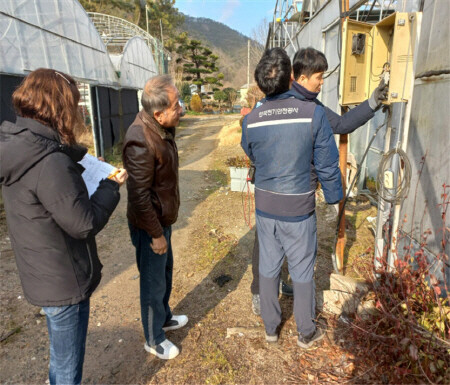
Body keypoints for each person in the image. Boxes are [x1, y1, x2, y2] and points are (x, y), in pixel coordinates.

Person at [0, 68, 127, 385]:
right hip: (63, 282)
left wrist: (78, 155)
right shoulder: (49, 163)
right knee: (68, 367)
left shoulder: (17, 141)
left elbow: (51, 151)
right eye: (73, 104)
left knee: (60, 357)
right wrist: (111, 186)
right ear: (59, 107)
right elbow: (82, 223)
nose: (78, 110)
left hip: (41, 272)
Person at [249, 47, 388, 315]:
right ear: (299, 77)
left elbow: (342, 124)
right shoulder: (277, 102)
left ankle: (280, 286)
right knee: (266, 243)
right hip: (277, 186)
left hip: (300, 189)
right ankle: (260, 291)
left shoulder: (314, 107)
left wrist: (372, 102)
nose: (322, 83)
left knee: (292, 244)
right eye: (319, 77)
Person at [241, 47, 343, 348]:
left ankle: (271, 329)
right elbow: (326, 162)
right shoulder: (313, 113)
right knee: (301, 269)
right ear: (290, 79)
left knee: (268, 267)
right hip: (298, 207)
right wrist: (335, 198)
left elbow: (250, 151)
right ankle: (305, 331)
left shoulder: (252, 118)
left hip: (265, 205)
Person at [122, 75, 187, 360]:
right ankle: (153, 338)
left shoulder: (160, 129)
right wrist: (156, 234)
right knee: (152, 281)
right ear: (158, 114)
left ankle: (163, 318)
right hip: (150, 225)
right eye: (176, 105)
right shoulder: (140, 139)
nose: (181, 109)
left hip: (163, 219)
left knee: (165, 273)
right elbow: (139, 197)